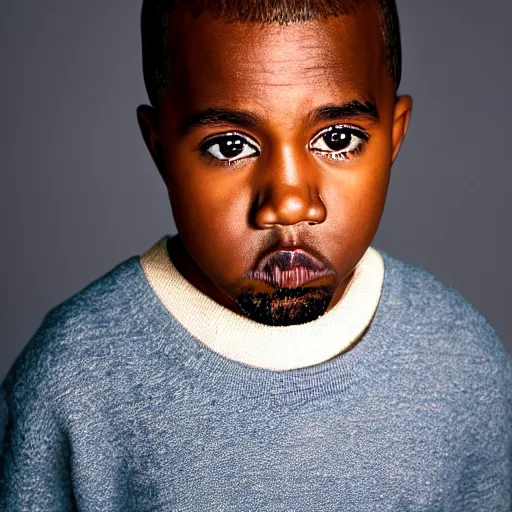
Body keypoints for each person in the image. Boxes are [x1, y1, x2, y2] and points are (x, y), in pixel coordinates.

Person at [1, 0, 511, 510]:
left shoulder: (463, 363)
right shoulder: (72, 380)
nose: (289, 203)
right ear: (160, 150)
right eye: (229, 146)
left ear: (395, 136)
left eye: (337, 138)